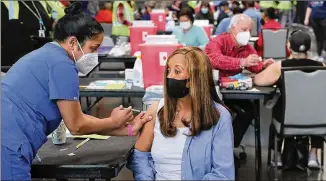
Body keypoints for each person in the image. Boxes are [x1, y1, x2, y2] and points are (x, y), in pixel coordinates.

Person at [1, 3, 152, 180]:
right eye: (93, 48)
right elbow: (76, 125)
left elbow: (77, 119)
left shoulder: (48, 55)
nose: (95, 55)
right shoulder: (62, 65)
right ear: (73, 42)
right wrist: (112, 121)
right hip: (9, 141)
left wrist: (126, 130)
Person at [127, 46, 234, 180]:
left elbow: (222, 174)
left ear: (195, 78)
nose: (169, 76)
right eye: (168, 70)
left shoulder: (220, 116)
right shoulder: (156, 110)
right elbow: (140, 156)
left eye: (177, 71)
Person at [254, 30, 325, 168]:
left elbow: (258, 81)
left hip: (286, 122)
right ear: (309, 48)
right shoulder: (322, 67)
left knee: (278, 106)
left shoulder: (280, 66)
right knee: (317, 110)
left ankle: (277, 156)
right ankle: (313, 155)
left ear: (288, 46)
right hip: (317, 123)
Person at [205, 14, 274, 151]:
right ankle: (217, 147)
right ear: (232, 28)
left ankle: (229, 146)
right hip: (213, 91)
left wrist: (263, 65)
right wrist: (241, 62)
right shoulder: (217, 42)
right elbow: (214, 59)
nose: (247, 33)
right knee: (223, 114)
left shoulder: (246, 48)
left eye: (249, 30)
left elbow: (255, 65)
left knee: (249, 111)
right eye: (243, 29)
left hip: (232, 90)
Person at [1, 1, 53, 70]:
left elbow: (49, 24)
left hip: (44, 52)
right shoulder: (7, 4)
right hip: (19, 58)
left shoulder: (39, 3)